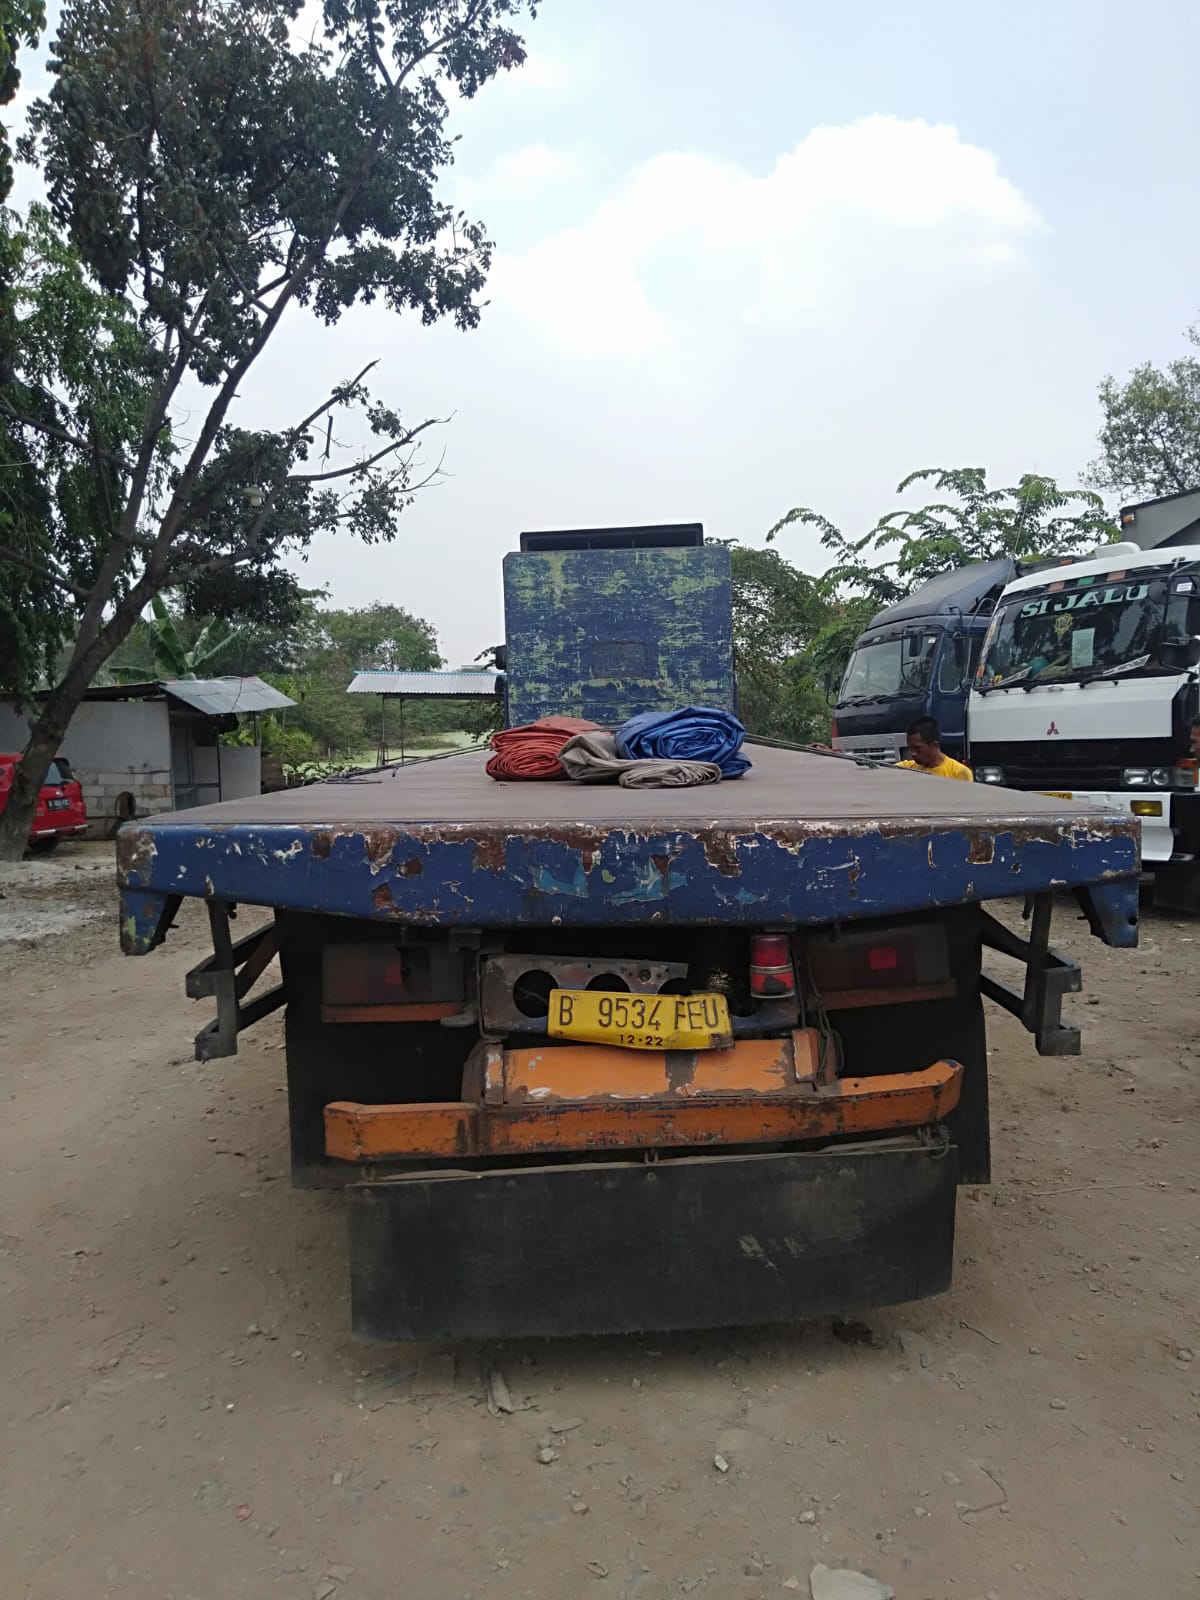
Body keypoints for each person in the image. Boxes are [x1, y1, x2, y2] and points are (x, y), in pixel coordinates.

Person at [895, 717, 973, 781]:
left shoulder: (959, 773)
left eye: (918, 748)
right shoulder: (907, 768)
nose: (913, 753)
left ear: (935, 744)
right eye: (910, 748)